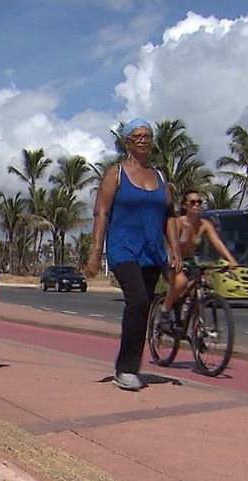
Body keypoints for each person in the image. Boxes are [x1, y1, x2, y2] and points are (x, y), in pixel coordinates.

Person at [84, 119, 181, 391]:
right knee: (137, 301)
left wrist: (174, 249)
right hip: (123, 248)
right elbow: (101, 212)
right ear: (128, 142)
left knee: (143, 307)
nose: (143, 140)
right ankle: (125, 369)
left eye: (147, 136)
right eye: (137, 136)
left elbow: (169, 216)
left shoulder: (160, 178)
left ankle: (132, 366)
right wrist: (95, 252)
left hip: (152, 253)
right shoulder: (116, 174)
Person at [157, 189, 239, 331]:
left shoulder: (205, 224)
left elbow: (217, 242)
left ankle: (196, 332)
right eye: (192, 202)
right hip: (172, 258)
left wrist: (231, 260)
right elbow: (170, 242)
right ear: (185, 206)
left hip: (190, 260)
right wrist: (173, 259)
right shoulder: (179, 223)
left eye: (199, 202)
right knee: (181, 283)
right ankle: (164, 312)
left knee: (199, 287)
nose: (196, 205)